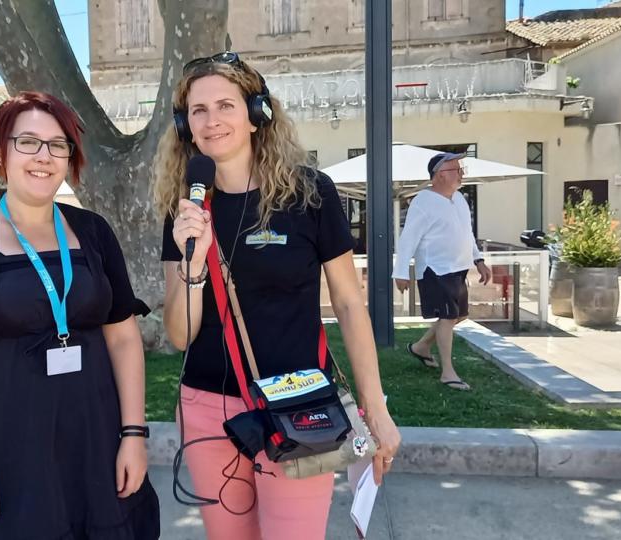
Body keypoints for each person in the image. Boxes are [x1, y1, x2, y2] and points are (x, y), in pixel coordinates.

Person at [155, 52, 401, 540]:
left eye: (225, 105)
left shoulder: (310, 194)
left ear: (256, 113)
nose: (211, 121)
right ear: (185, 125)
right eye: (198, 111)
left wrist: (376, 408)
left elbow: (350, 306)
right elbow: (180, 335)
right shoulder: (184, 209)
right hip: (208, 408)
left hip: (299, 404)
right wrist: (193, 265)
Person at [0, 91, 159, 540]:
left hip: (96, 441)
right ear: (1, 152)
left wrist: (134, 434)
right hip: (4, 448)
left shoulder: (93, 231)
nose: (43, 156)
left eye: (58, 144)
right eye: (28, 142)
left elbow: (124, 340)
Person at [392, 152, 492, 392]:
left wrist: (478, 260)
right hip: (435, 269)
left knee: (459, 315)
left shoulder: (459, 199)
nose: (461, 174)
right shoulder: (423, 202)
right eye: (455, 169)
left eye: (461, 168)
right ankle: (448, 372)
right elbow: (408, 239)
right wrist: (401, 271)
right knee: (448, 318)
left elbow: (467, 233)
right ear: (438, 175)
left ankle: (421, 347)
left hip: (458, 268)